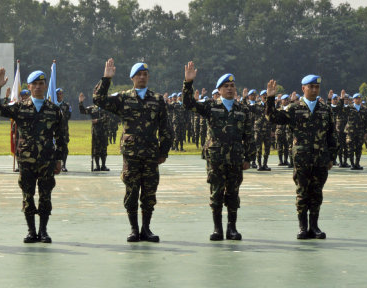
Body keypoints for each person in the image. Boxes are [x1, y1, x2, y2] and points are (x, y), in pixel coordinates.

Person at [93, 59, 173, 242]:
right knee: (131, 190)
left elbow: (166, 128)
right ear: (132, 78)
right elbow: (98, 99)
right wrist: (106, 79)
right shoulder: (123, 98)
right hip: (132, 154)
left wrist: (163, 152)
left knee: (149, 192)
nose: (142, 77)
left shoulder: (158, 99)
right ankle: (134, 229)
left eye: (145, 74)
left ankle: (146, 229)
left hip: (151, 154)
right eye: (139, 74)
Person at [0, 68, 64, 243]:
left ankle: (43, 231)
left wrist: (59, 159)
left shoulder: (54, 110)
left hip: (47, 160)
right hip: (26, 161)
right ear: (29, 87)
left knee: (45, 196)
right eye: (35, 84)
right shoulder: (19, 107)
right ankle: (31, 231)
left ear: (46, 86)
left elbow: (61, 137)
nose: (38, 87)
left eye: (41, 84)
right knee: (27, 195)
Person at [183, 62, 254, 241]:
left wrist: (249, 158)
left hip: (236, 159)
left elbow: (249, 135)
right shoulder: (210, 106)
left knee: (233, 194)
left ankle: (232, 228)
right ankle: (217, 229)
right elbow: (188, 103)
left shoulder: (242, 109)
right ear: (219, 90)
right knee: (216, 193)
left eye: (232, 86)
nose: (230, 89)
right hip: (216, 159)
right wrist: (188, 83)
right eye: (226, 86)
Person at [265, 75, 337, 239]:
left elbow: (332, 135)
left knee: (317, 193)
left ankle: (315, 227)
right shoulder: (293, 108)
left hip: (320, 159)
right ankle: (303, 227)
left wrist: (332, 157)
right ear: (303, 88)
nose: (314, 90)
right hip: (302, 159)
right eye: (310, 87)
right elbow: (272, 118)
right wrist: (270, 99)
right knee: (302, 192)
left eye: (316, 87)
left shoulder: (326, 109)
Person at [79, 92, 109, 171]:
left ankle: (103, 165)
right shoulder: (92, 108)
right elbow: (83, 111)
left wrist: (98, 121)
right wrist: (81, 102)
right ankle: (97, 166)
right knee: (96, 149)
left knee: (104, 149)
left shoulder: (106, 107)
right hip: (96, 132)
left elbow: (107, 117)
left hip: (104, 131)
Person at [345, 93, 367, 170]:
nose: (358, 100)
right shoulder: (349, 108)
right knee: (350, 148)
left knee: (359, 148)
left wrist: (366, 132)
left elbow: (366, 121)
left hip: (360, 132)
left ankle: (357, 164)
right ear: (353, 100)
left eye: (360, 98)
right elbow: (339, 109)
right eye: (357, 98)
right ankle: (352, 164)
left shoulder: (363, 109)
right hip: (351, 132)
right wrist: (342, 100)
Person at [56, 88, 72, 172]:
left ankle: (63, 165)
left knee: (64, 148)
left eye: (60, 93)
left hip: (63, 131)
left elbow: (68, 116)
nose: (59, 95)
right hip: (53, 131)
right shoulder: (51, 105)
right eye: (57, 94)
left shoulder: (66, 105)